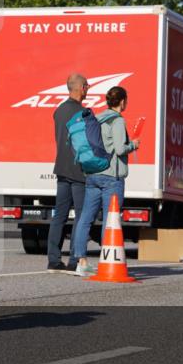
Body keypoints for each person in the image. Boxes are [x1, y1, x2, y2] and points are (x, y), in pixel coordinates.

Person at [70, 86, 140, 266]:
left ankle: (81, 261)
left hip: (93, 174)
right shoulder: (117, 121)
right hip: (111, 177)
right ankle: (107, 260)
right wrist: (133, 144)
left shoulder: (98, 118)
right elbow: (119, 148)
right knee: (110, 220)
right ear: (123, 101)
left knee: (85, 217)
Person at [46, 73, 92, 275]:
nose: (88, 89)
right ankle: (75, 258)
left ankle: (53, 260)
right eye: (87, 86)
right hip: (78, 170)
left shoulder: (59, 111)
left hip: (62, 168)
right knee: (81, 216)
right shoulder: (84, 113)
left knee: (59, 216)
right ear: (80, 88)